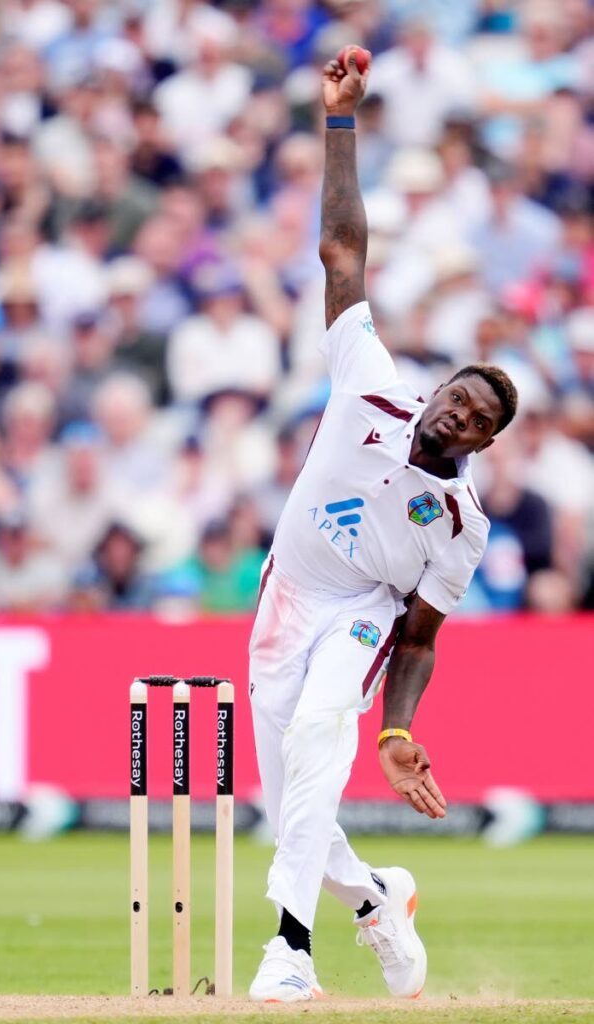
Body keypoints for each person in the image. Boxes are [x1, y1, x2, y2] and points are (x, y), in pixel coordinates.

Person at [248, 49, 518, 1003]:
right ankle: (377, 898)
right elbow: (342, 251)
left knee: (328, 729)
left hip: (361, 610)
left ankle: (290, 954)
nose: (458, 415)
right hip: (287, 593)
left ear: (484, 443)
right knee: (287, 801)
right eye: (456, 397)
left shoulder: (461, 524)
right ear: (436, 388)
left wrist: (398, 728)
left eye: (478, 419)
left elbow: (419, 636)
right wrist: (339, 122)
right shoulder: (367, 382)